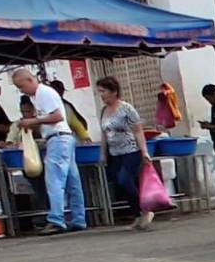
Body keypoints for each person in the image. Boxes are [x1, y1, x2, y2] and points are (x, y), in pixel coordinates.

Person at [12, 65, 84, 235]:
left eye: (21, 86)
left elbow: (57, 116)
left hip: (58, 138)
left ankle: (57, 219)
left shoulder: (43, 93)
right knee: (73, 181)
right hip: (64, 137)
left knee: (54, 180)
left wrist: (32, 122)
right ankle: (79, 218)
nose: (21, 90)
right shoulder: (39, 96)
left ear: (30, 80)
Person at [96, 77, 154, 231]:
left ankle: (145, 210)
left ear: (114, 92)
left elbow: (138, 131)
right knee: (120, 184)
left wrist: (144, 152)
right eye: (99, 92)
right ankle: (137, 214)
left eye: (103, 91)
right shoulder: (104, 111)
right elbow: (104, 134)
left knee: (125, 179)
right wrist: (102, 153)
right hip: (114, 153)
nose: (101, 95)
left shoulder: (126, 109)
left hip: (131, 150)